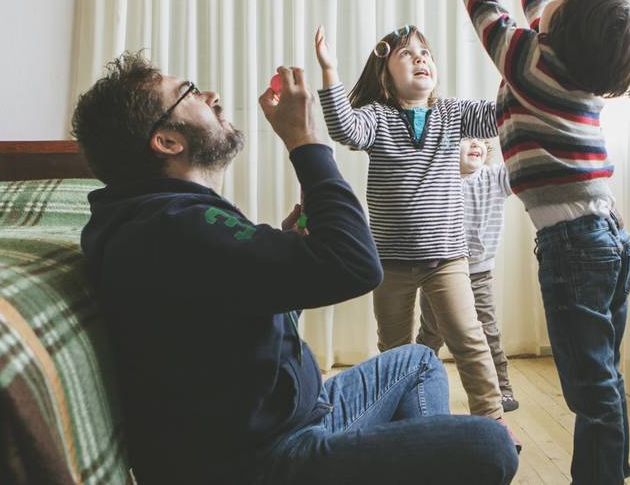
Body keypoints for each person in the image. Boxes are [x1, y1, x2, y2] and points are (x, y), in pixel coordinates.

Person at [70, 53, 518, 484]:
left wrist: (288, 260)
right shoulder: (178, 228)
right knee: (491, 446)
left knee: (419, 362)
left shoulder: (164, 222)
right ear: (167, 141)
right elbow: (358, 265)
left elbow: (239, 321)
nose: (212, 96)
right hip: (267, 464)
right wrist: (304, 140)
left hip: (300, 417)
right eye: (188, 93)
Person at [438, 0, 630, 484]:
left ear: (560, 28)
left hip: (574, 247)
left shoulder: (528, 59)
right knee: (603, 376)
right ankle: (610, 467)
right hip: (608, 238)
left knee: (590, 388)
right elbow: (545, 10)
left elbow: (484, 9)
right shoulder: (574, 69)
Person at [313, 25, 519, 446]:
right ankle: (400, 423)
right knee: (394, 348)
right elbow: (345, 130)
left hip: (447, 258)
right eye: (407, 54)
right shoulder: (378, 117)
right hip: (389, 262)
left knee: (468, 336)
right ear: (386, 75)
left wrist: (516, 68)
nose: (420, 58)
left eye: (425, 52)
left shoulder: (452, 114)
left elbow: (501, 113)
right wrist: (330, 72)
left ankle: (493, 419)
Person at [417, 137, 519, 412]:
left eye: (480, 140)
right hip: (439, 272)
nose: (475, 144)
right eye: (465, 139)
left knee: (488, 330)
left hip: (479, 272)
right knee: (431, 331)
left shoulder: (495, 177)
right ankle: (413, 384)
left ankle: (502, 389)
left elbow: (519, 165)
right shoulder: (439, 180)